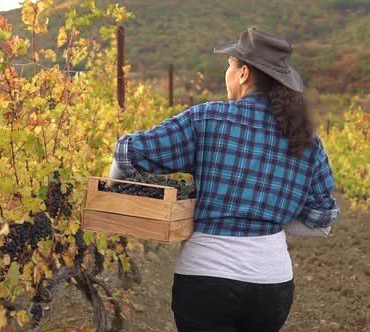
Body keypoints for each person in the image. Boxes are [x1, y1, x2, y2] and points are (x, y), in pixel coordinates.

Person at [110, 27, 340, 332]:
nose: (226, 73)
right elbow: (321, 224)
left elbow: (127, 153)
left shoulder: (207, 118)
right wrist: (264, 218)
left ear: (243, 73)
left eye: (229, 66)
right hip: (271, 286)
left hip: (206, 281)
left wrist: (112, 187)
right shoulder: (305, 139)